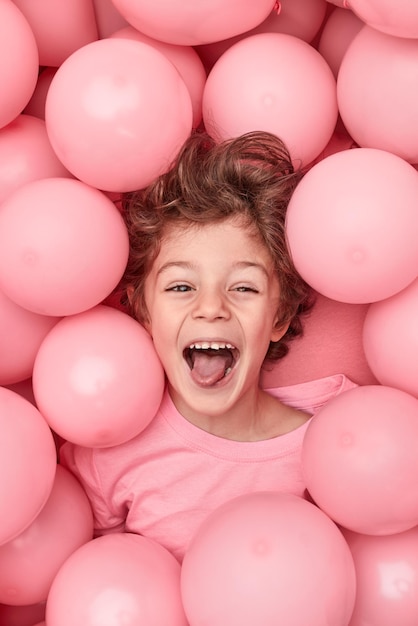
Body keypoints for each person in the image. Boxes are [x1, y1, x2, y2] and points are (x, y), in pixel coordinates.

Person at [60, 130, 356, 562]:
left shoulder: (339, 438)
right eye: (181, 286)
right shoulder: (106, 452)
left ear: (278, 317)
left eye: (243, 287)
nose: (212, 307)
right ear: (144, 311)